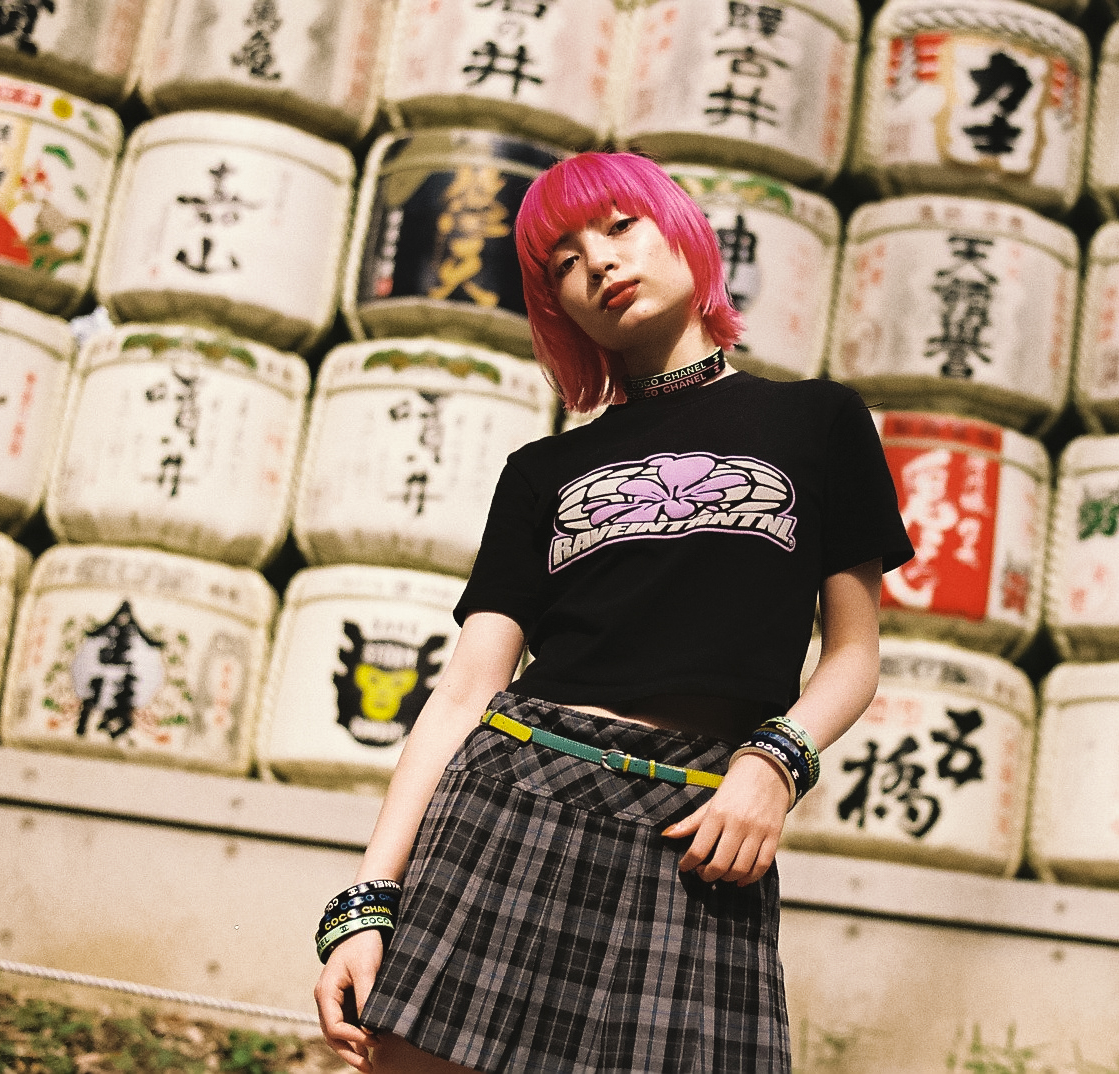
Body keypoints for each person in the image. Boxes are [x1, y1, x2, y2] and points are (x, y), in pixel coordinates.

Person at [313, 151, 913, 1074]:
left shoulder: (818, 422)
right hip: (515, 800)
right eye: (562, 259)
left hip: (704, 829)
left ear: (681, 228)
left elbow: (853, 654)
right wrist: (369, 899)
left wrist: (774, 764)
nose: (596, 261)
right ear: (557, 305)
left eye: (619, 225)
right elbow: (465, 689)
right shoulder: (539, 470)